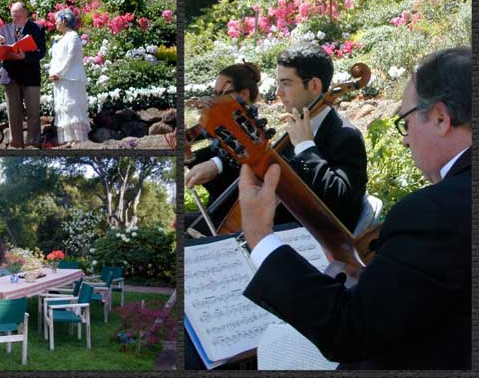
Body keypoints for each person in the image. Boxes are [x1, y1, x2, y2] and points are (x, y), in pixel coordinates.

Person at [240, 47, 471, 369]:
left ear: (441, 118)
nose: (405, 141)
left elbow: (350, 331)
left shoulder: (432, 212)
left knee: (279, 347)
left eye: (405, 122)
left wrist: (259, 236)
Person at [185, 43, 367, 235]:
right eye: (278, 83)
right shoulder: (296, 130)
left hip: (303, 241)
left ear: (314, 85)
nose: (278, 93)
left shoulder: (346, 136)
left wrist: (306, 148)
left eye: (286, 83)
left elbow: (344, 204)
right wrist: (215, 164)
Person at [184, 61, 261, 234]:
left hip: (235, 217)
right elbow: (203, 154)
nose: (214, 99)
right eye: (214, 93)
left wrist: (216, 163)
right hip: (216, 209)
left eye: (222, 93)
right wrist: (187, 151)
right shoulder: (219, 123)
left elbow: (247, 160)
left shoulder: (253, 129)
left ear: (244, 94)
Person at [0, 2, 46, 149]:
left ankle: (33, 143)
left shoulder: (37, 28)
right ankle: (16, 144)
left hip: (30, 76)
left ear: (25, 13)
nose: (15, 17)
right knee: (13, 113)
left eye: (17, 14)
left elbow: (41, 52)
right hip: (11, 76)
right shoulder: (5, 28)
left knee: (33, 111)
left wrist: (24, 56)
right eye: (12, 14)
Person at [48, 8, 90, 146]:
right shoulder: (61, 38)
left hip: (71, 77)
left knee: (72, 106)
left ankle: (79, 139)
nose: (55, 22)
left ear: (65, 20)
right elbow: (56, 58)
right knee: (63, 106)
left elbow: (70, 57)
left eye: (57, 19)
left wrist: (59, 73)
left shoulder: (73, 36)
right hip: (60, 79)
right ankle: (70, 138)